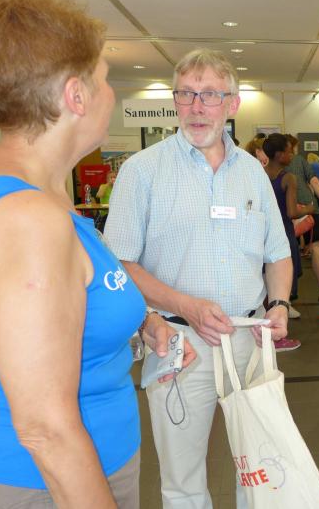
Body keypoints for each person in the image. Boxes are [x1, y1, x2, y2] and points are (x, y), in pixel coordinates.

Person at [0, 0, 194, 508]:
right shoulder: (28, 221)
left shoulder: (23, 189)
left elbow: (59, 305)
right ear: (76, 95)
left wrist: (140, 320)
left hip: (93, 453)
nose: (112, 95)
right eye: (105, 80)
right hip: (53, 481)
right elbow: (45, 428)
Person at [104, 48, 293, 509]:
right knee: (182, 480)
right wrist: (186, 306)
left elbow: (278, 254)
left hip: (248, 340)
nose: (196, 106)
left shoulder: (253, 173)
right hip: (178, 344)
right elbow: (119, 265)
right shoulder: (142, 172)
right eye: (186, 94)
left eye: (210, 94)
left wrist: (280, 304)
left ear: (233, 104)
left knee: (258, 469)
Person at [262, 133, 311, 351]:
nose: (292, 155)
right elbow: (291, 212)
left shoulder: (259, 174)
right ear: (280, 154)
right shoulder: (288, 178)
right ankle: (277, 335)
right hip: (282, 234)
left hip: (262, 235)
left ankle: (265, 332)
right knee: (281, 287)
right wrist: (309, 208)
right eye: (290, 151)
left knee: (265, 285)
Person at [286, 134, 319, 304]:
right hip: (309, 207)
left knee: (286, 252)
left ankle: (287, 297)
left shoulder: (273, 163)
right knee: (316, 247)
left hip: (287, 209)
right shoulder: (300, 160)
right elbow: (315, 183)